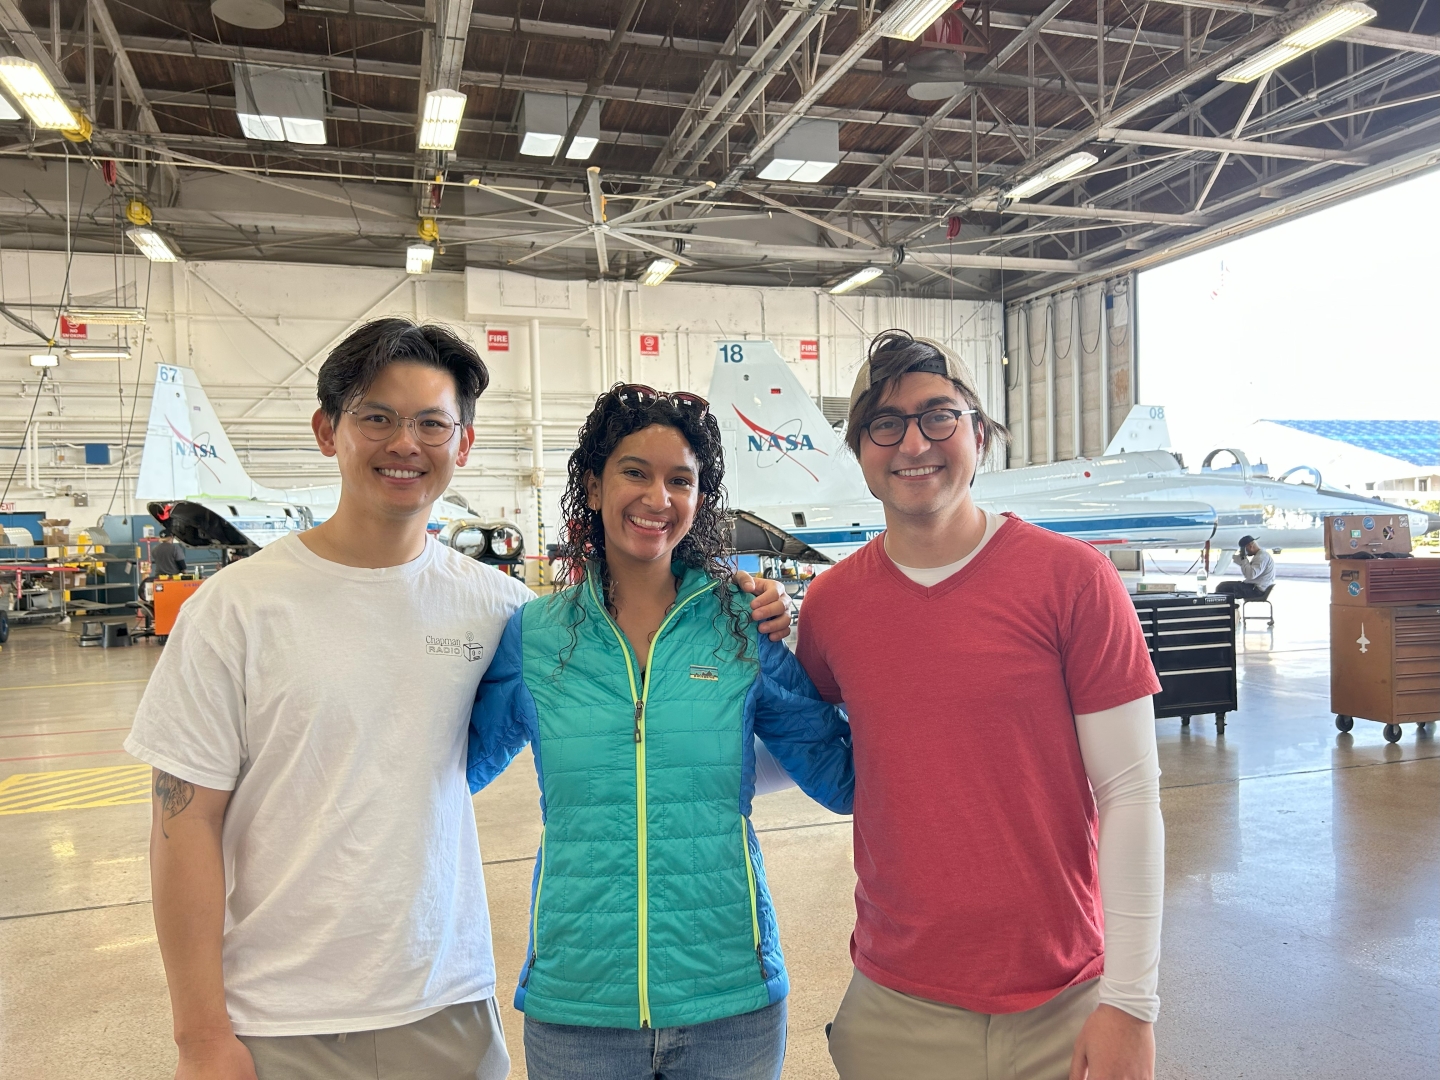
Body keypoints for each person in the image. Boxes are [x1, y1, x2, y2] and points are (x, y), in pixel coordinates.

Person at [124, 321, 793, 1080]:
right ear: (327, 430)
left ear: (463, 443)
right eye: (377, 417)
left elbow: (638, 739)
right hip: (280, 1018)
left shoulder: (505, 613)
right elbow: (183, 824)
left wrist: (750, 612)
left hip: (448, 1007)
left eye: (431, 423)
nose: (405, 443)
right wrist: (200, 1037)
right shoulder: (234, 609)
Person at [795, 331, 1165, 1080]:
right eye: (884, 424)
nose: (914, 444)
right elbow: (804, 745)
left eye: (939, 416)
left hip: (1064, 1000)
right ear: (860, 451)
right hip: (896, 1006)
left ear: (980, 435)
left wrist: (1131, 1002)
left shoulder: (1074, 581)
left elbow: (1129, 794)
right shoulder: (831, 606)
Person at [469, 383, 853, 1080]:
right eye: (635, 472)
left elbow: (840, 775)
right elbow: (450, 769)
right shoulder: (536, 637)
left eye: (681, 480)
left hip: (729, 1000)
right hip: (578, 1007)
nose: (659, 497)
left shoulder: (741, 627)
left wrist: (850, 636)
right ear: (593, 486)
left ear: (700, 498)